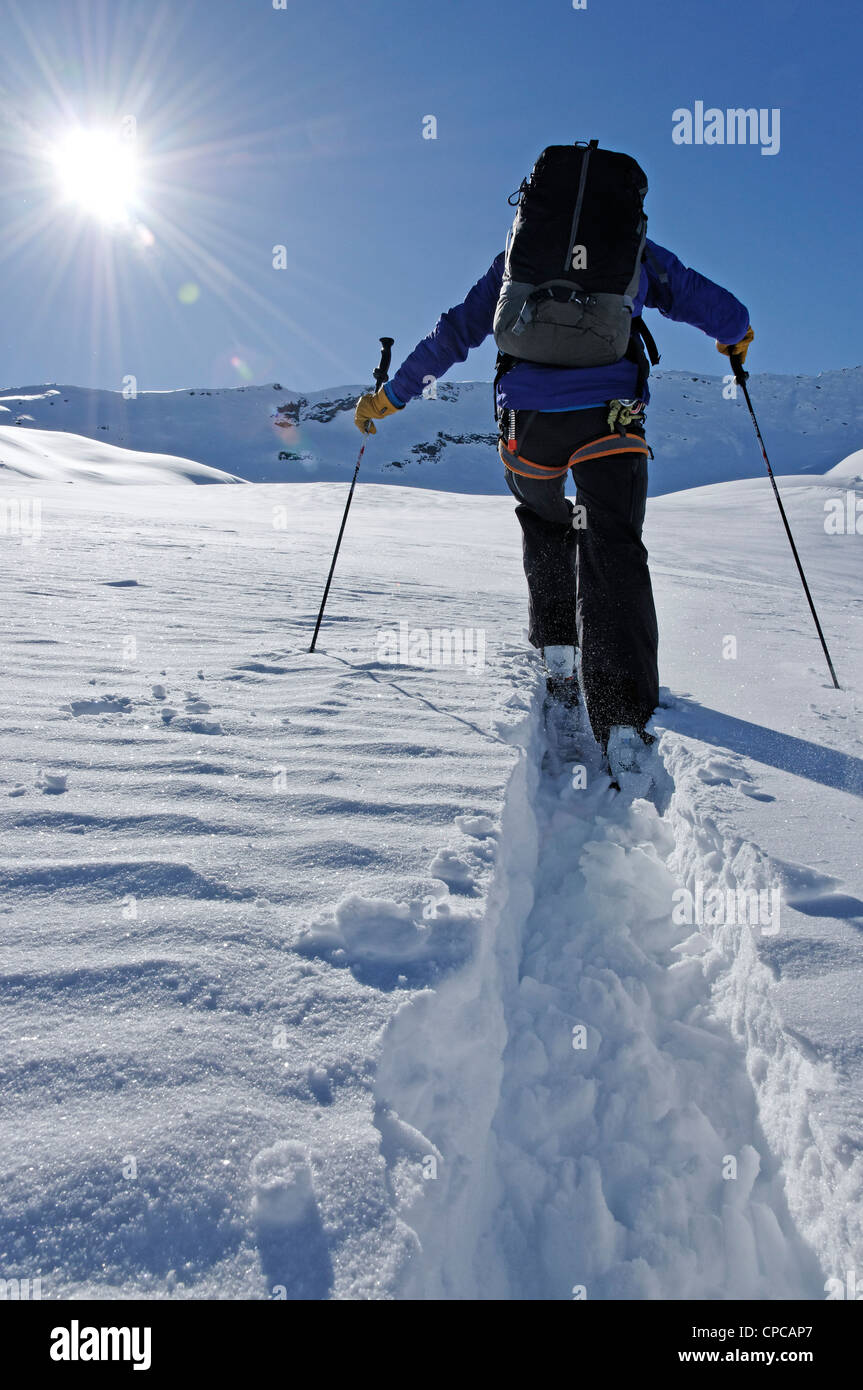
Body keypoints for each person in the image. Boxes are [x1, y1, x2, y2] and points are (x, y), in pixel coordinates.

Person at [354, 185, 752, 783]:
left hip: (529, 424)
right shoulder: (634, 251)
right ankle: (621, 723)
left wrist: (391, 396)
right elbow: (703, 298)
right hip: (611, 416)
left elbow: (454, 333)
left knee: (545, 516)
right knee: (613, 543)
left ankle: (561, 651)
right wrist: (736, 333)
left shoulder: (517, 260)